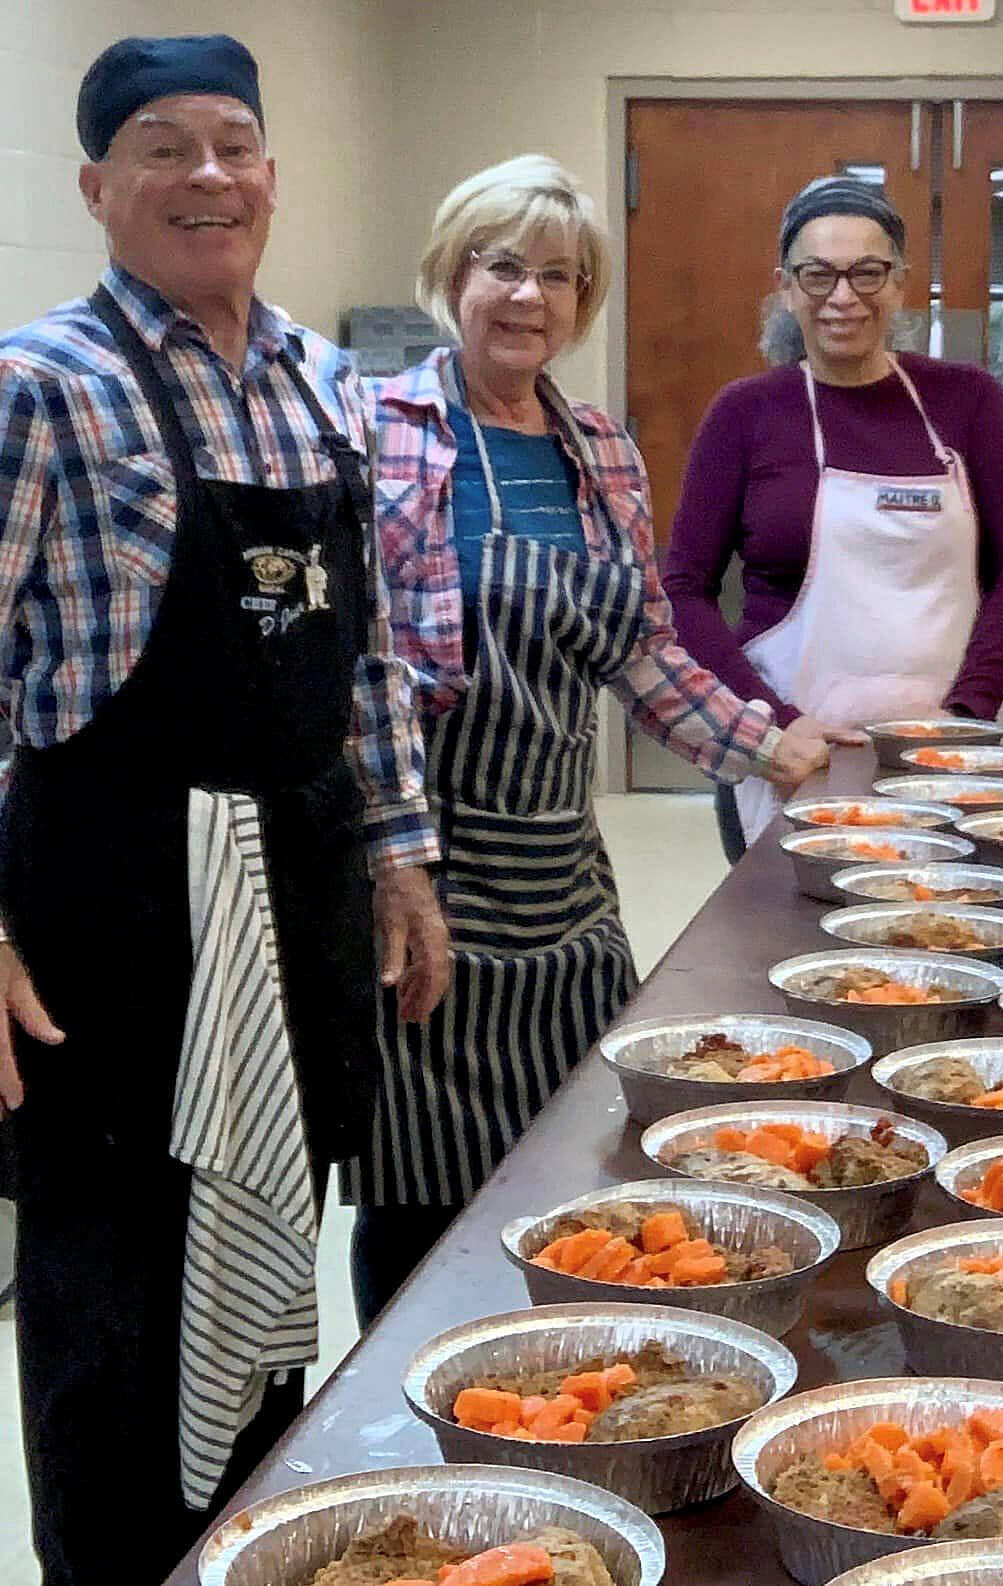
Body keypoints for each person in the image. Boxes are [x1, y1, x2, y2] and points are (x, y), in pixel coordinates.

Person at [0, 35, 449, 1585]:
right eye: (163, 146)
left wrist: (401, 857)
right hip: (109, 904)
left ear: (270, 172)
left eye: (233, 145)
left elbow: (368, 651)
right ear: (95, 185)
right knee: (113, 1292)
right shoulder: (40, 386)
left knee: (266, 1252)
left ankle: (249, 1548)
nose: (208, 175)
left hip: (301, 876)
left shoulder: (326, 380)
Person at [344, 155, 828, 1320]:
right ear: (450, 276)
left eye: (559, 276)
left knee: (573, 1165)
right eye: (503, 266)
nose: (530, 296)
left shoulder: (600, 447)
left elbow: (642, 650)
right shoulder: (374, 430)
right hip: (429, 867)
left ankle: (544, 1371)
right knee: (417, 1187)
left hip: (564, 873)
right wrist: (390, 860)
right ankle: (402, 1391)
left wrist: (770, 744)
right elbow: (354, 664)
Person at [663, 176, 1003, 860]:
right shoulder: (746, 413)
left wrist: (967, 714)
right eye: (819, 275)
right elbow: (683, 589)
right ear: (786, 287)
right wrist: (770, 724)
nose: (843, 297)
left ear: (899, 284)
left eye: (867, 273)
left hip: (953, 751)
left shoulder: (968, 401)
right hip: (793, 754)